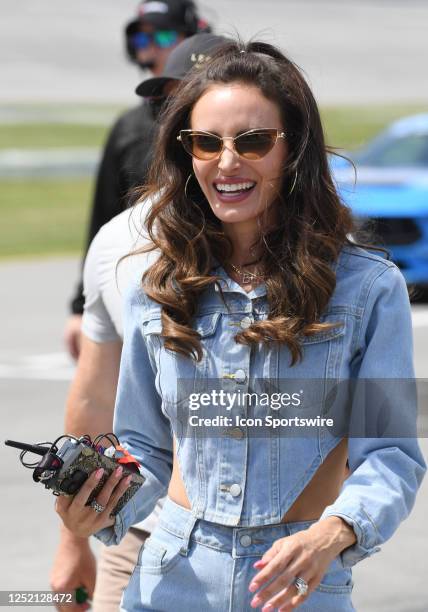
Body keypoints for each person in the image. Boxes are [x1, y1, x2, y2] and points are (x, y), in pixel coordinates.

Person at [56, 40, 426, 611]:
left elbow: (392, 456)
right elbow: (144, 448)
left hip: (299, 583)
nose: (227, 163)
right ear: (187, 155)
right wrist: (97, 503)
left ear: (293, 150)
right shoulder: (156, 285)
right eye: (207, 143)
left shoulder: (369, 287)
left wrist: (332, 534)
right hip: (169, 578)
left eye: (253, 141)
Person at [51, 33, 229, 612]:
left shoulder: (318, 249)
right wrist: (73, 541)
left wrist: (330, 530)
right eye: (170, 107)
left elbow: (373, 424)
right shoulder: (120, 242)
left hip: (276, 552)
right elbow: (96, 399)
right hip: (140, 538)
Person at [65, 0, 211, 359]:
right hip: (142, 288)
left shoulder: (221, 121)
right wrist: (80, 307)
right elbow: (104, 219)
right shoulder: (128, 129)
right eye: (143, 40)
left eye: (164, 35)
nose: (153, 48)